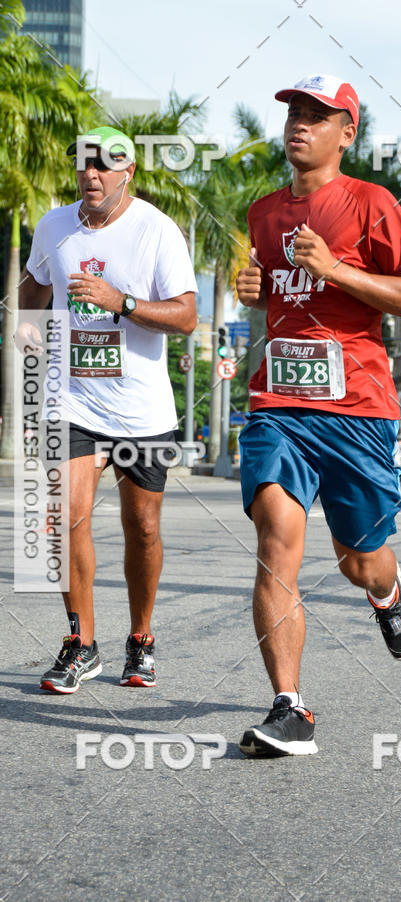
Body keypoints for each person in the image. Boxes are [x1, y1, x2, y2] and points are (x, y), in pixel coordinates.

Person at [234, 75, 401, 756]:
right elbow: (272, 296)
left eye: (318, 116)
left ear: (348, 132)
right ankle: (290, 708)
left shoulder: (372, 205)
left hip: (357, 411)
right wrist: (252, 291)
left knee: (358, 560)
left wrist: (338, 271)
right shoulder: (263, 213)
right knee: (276, 541)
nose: (300, 125)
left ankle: (388, 593)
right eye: (294, 113)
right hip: (279, 407)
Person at [19, 126, 197, 693]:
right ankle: (81, 642)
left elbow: (187, 315)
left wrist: (119, 301)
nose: (91, 175)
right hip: (69, 400)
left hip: (141, 410)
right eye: (84, 165)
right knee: (59, 517)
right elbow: (34, 289)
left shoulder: (157, 230)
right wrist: (31, 314)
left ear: (128, 174)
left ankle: (141, 638)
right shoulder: (54, 226)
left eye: (105, 165)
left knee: (141, 528)